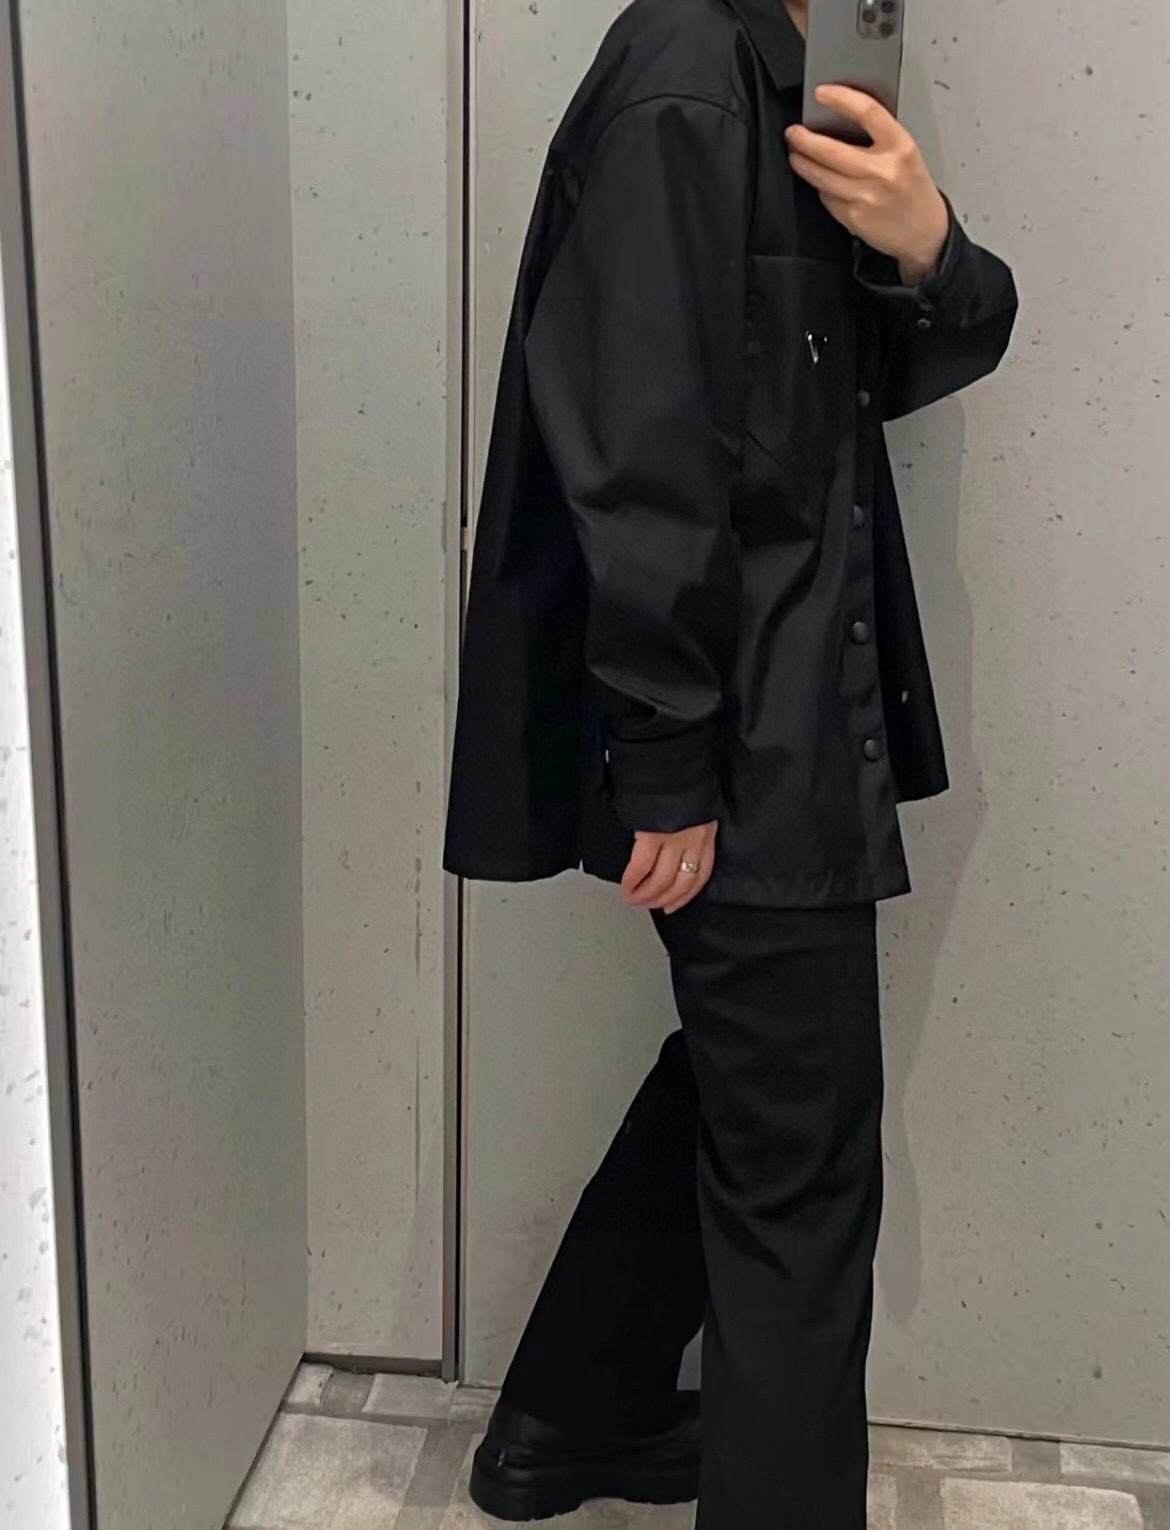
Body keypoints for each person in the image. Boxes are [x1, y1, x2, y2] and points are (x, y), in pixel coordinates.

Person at [443, 0, 1018, 1523]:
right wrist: (666, 757)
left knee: (756, 1090)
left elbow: (876, 367)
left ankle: (573, 1414)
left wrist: (926, 246)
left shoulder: (791, 80)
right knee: (799, 1180)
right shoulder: (687, 80)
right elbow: (635, 452)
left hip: (784, 703)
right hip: (746, 726)